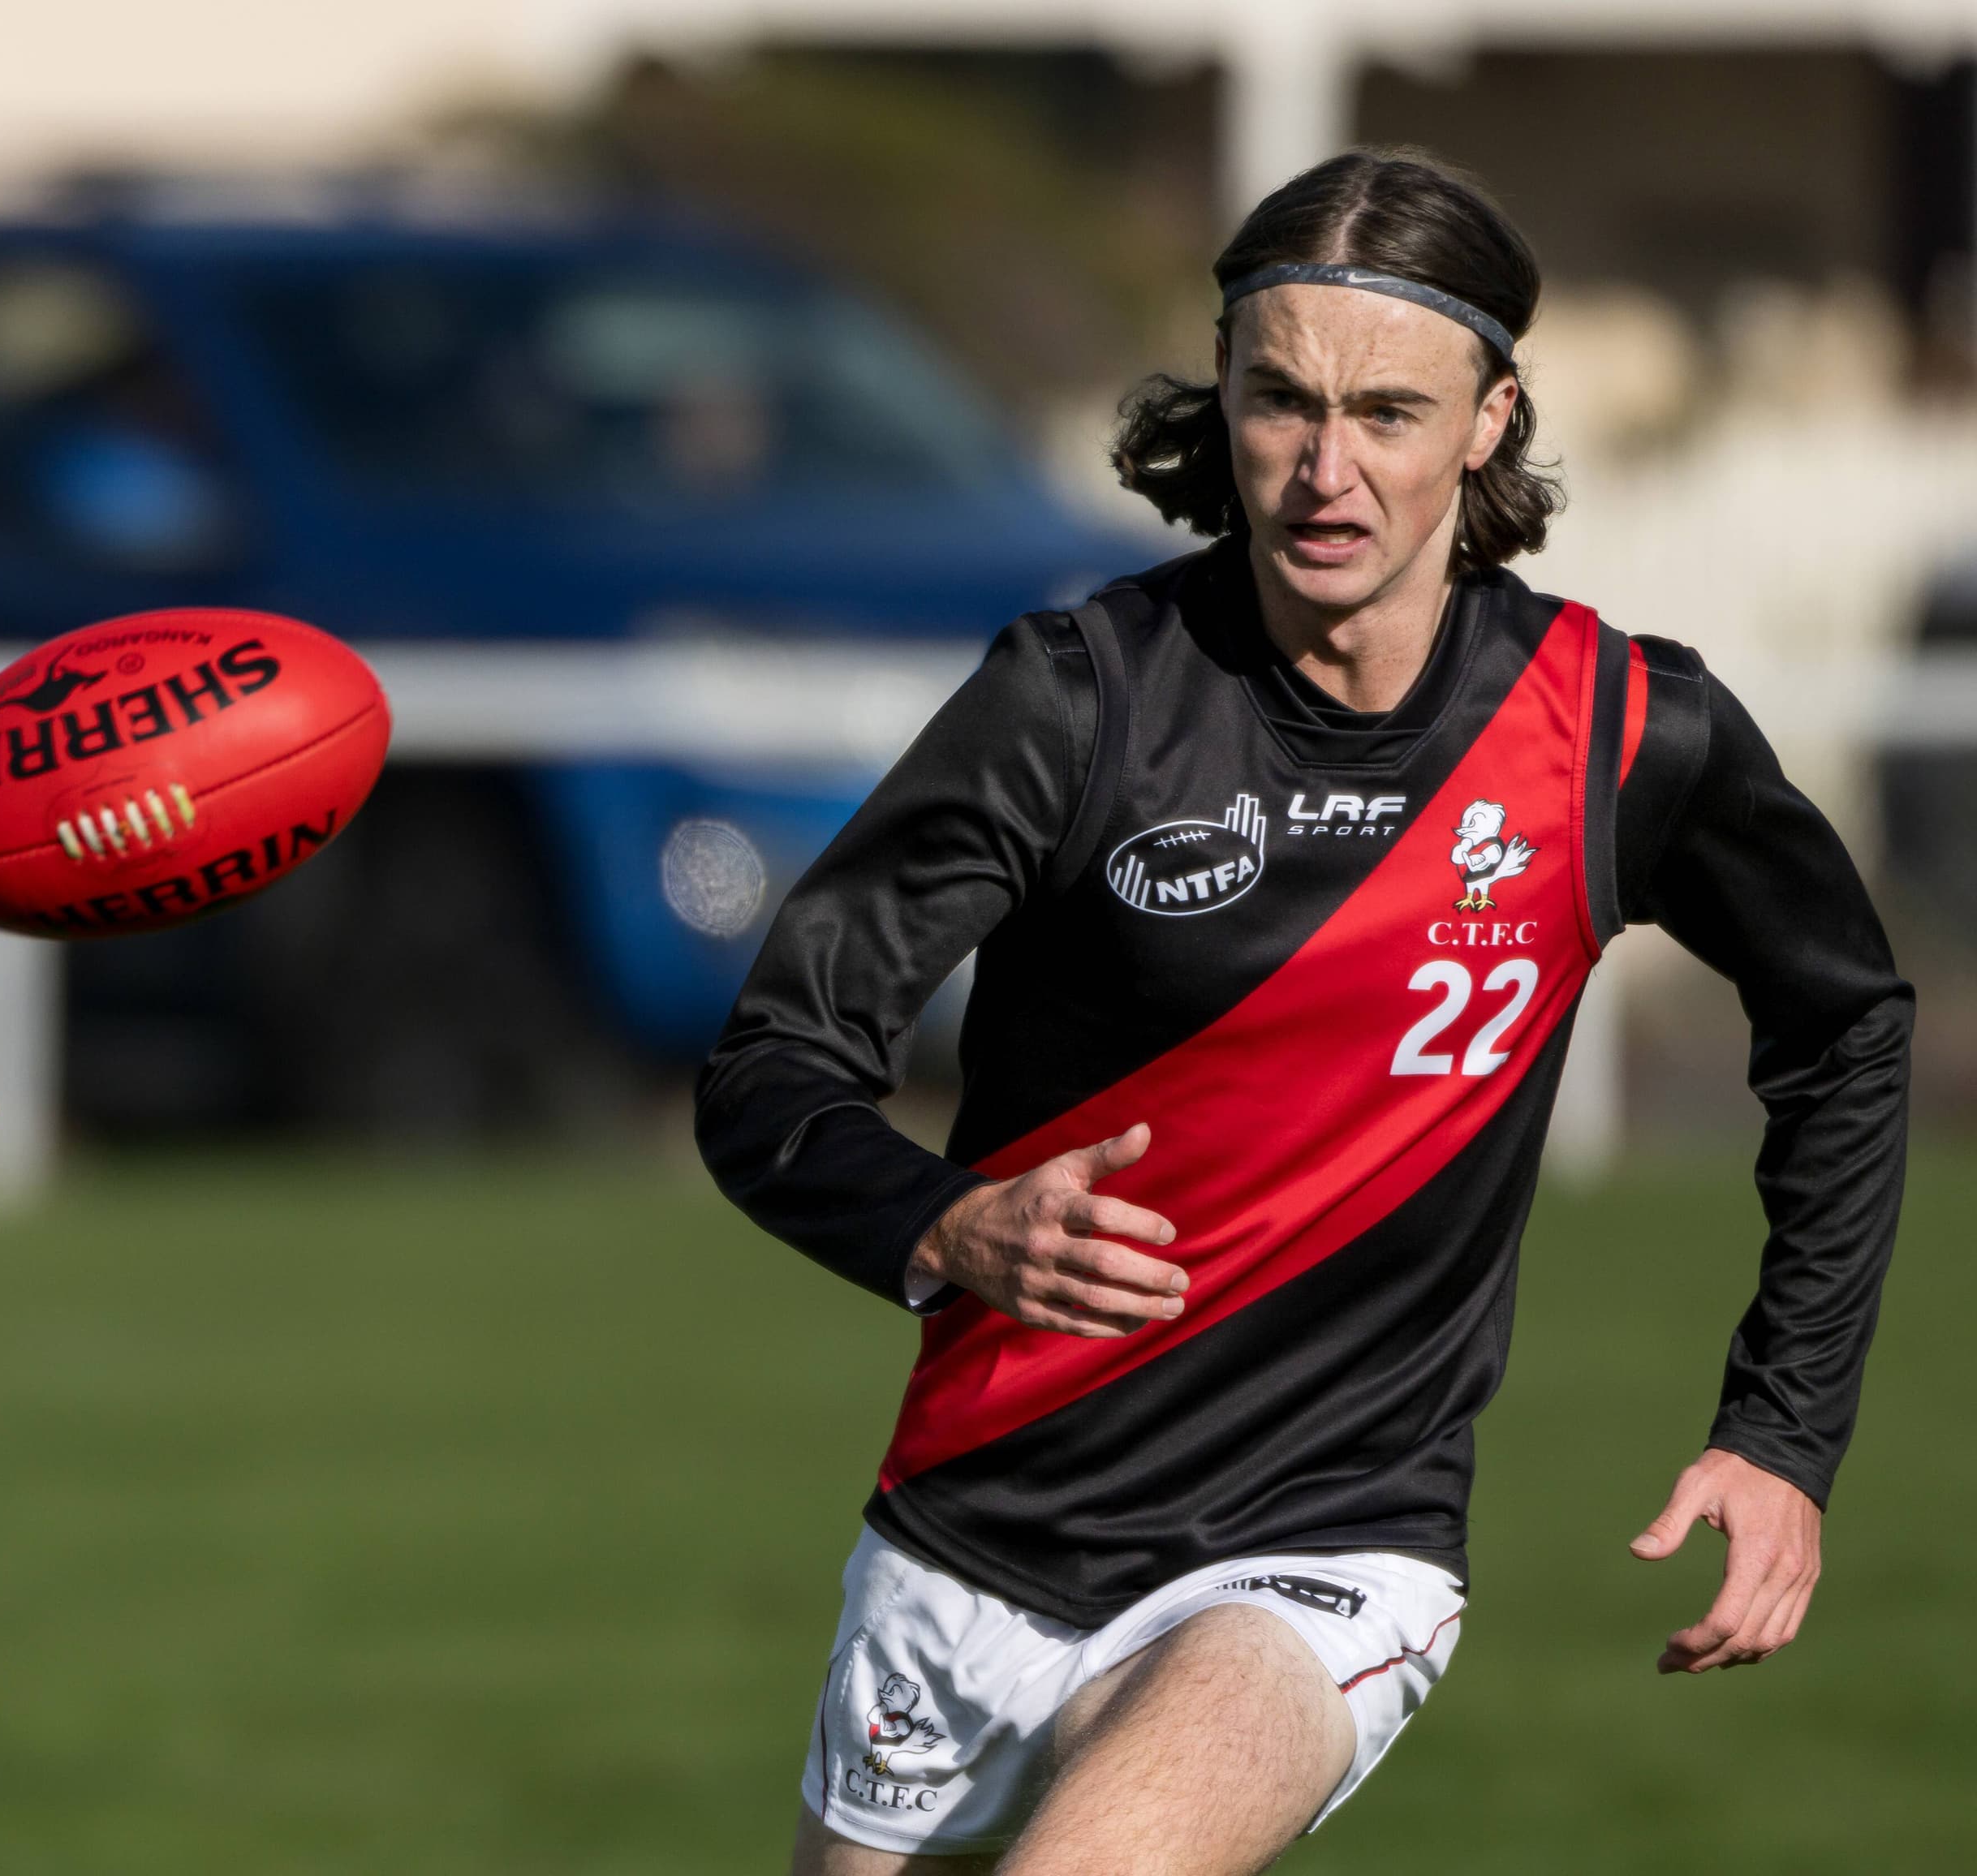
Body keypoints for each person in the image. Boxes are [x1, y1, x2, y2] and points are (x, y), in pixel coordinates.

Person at [698, 148, 1908, 1875]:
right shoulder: (1078, 701)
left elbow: (1848, 1030)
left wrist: (1781, 1431)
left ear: (1491, 420)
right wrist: (949, 1224)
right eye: (1280, 402)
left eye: (1390, 413)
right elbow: (771, 1068)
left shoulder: (1622, 735)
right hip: (981, 1520)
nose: (1325, 471)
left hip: (1329, 1538)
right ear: (1228, 395)